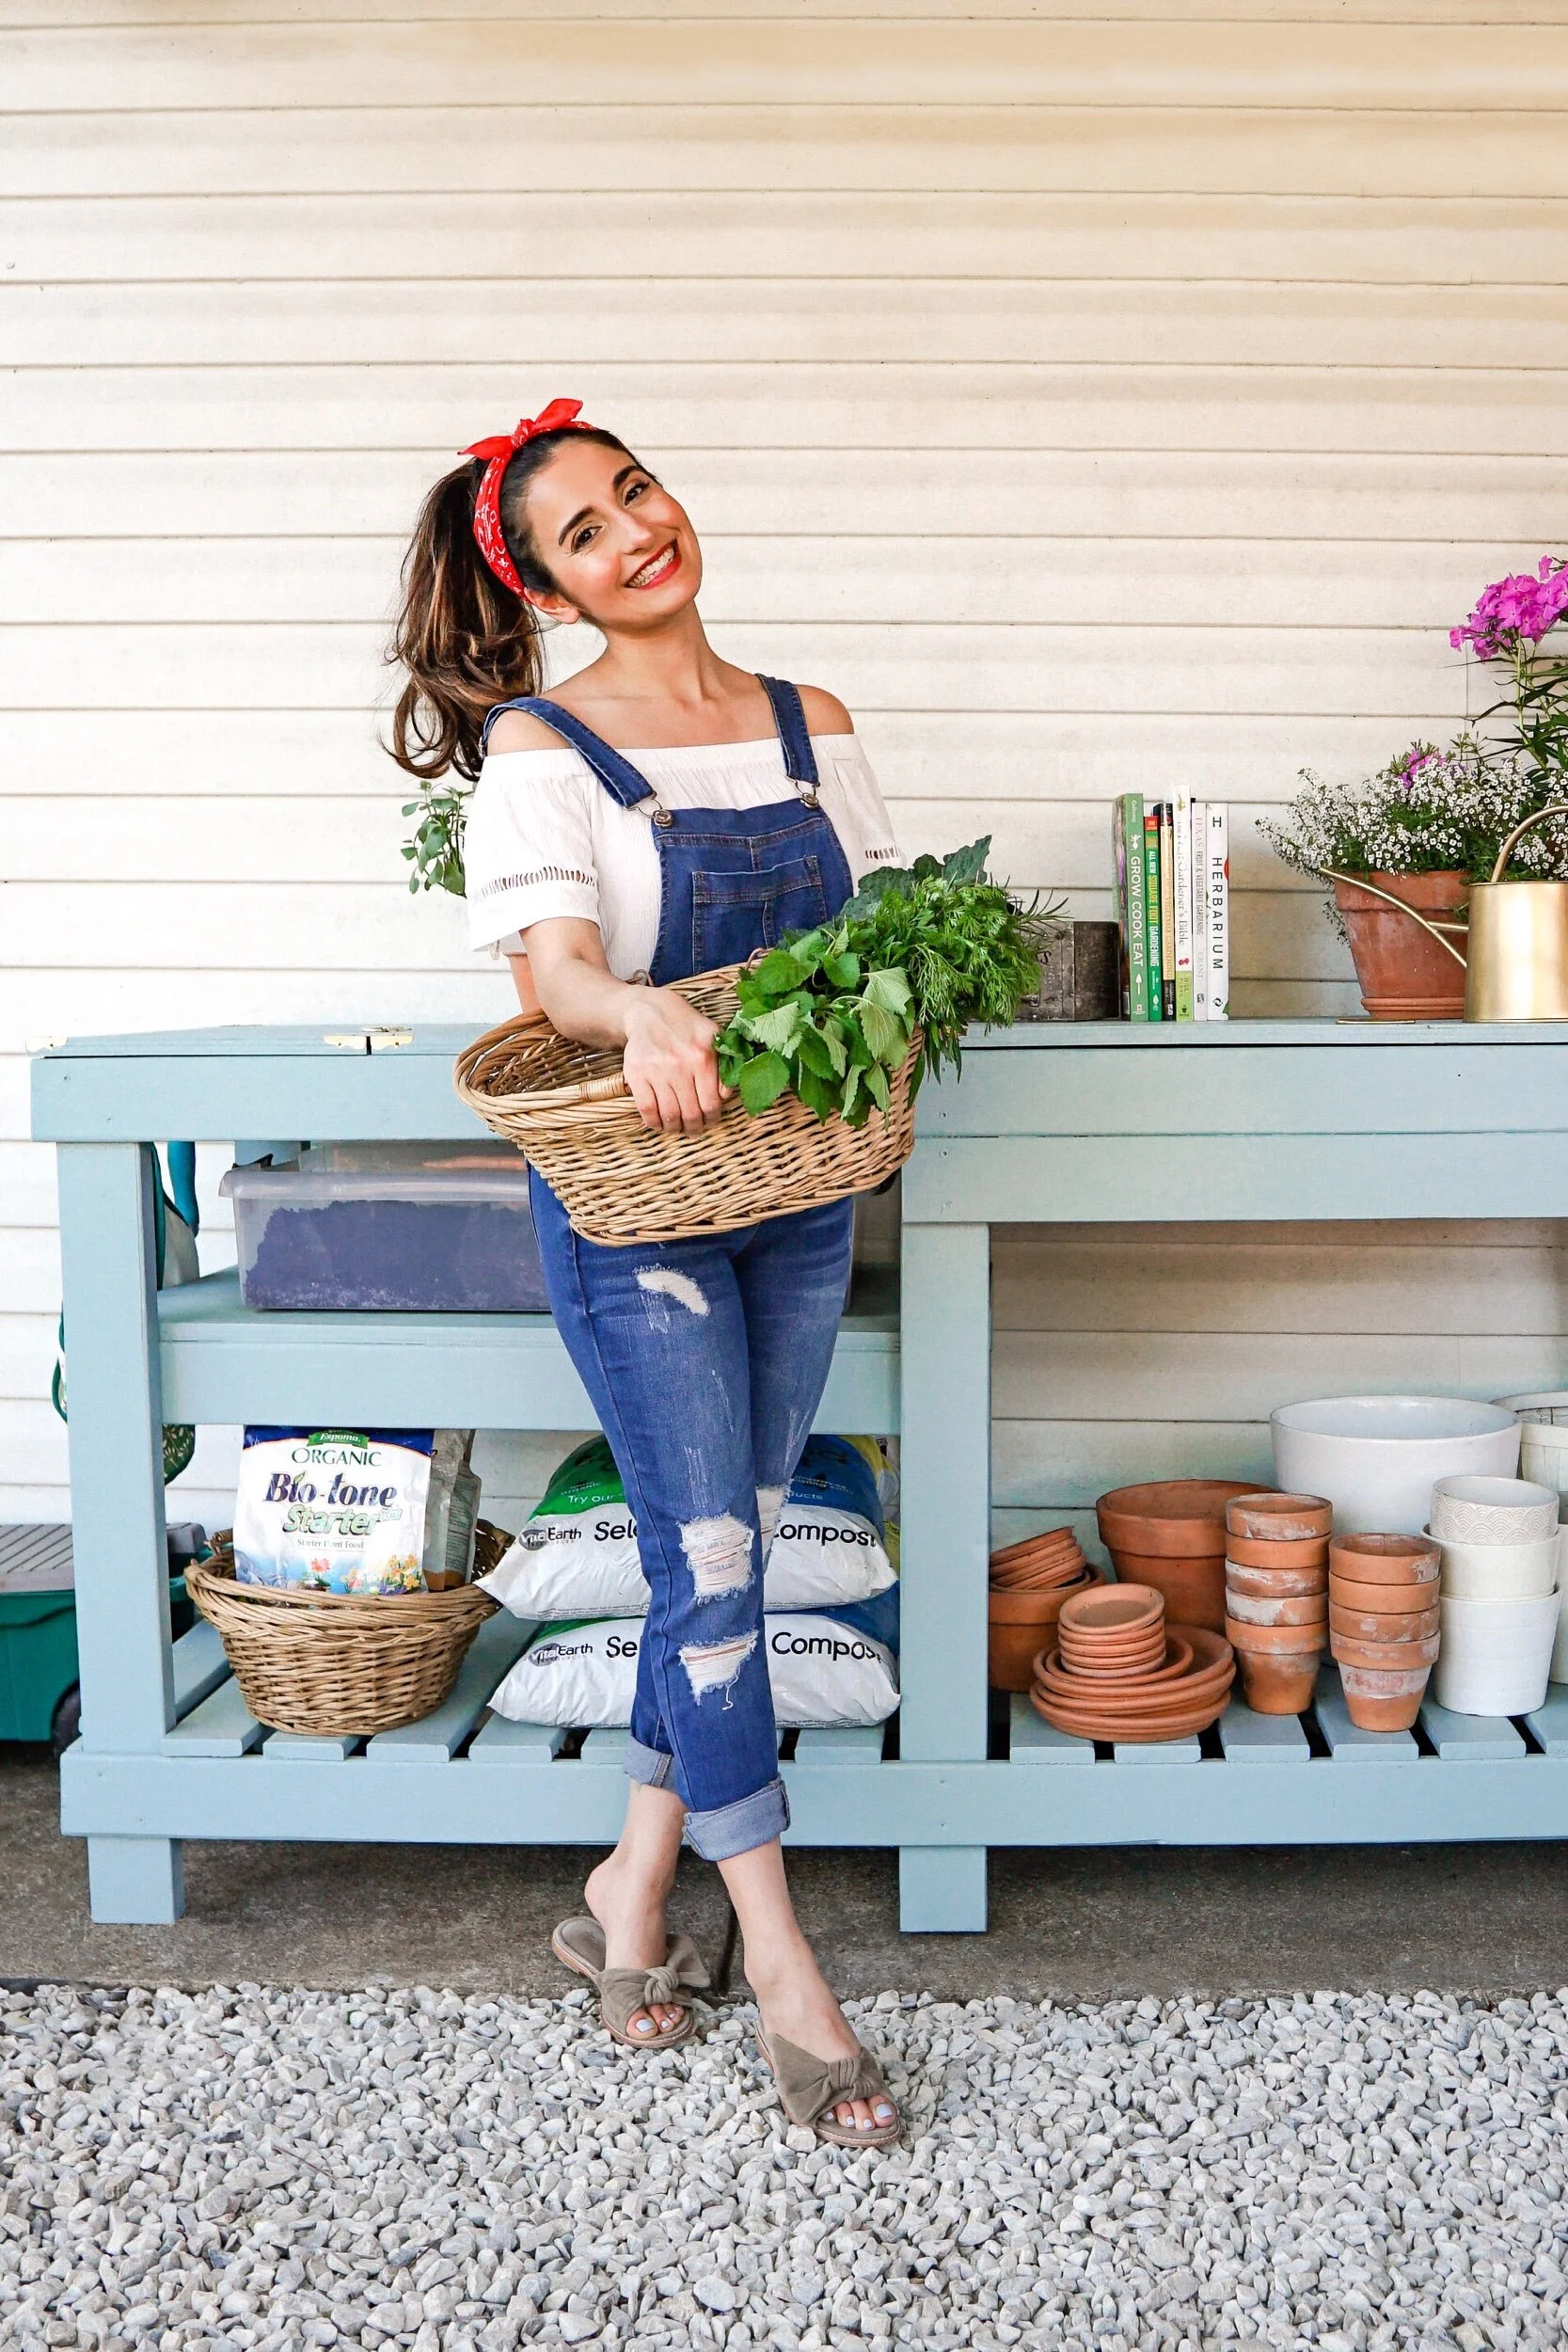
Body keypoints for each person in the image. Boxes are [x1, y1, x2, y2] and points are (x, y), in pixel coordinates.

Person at [389, 399, 904, 2148]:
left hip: (804, 1187)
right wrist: (645, 1009)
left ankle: (627, 1891)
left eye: (637, 493)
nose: (634, 535)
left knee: (738, 1543)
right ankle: (779, 1965)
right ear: (548, 587)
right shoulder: (542, 746)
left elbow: (884, 942)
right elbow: (559, 978)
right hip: (641, 1218)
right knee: (705, 1566)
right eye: (586, 533)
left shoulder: (806, 723)